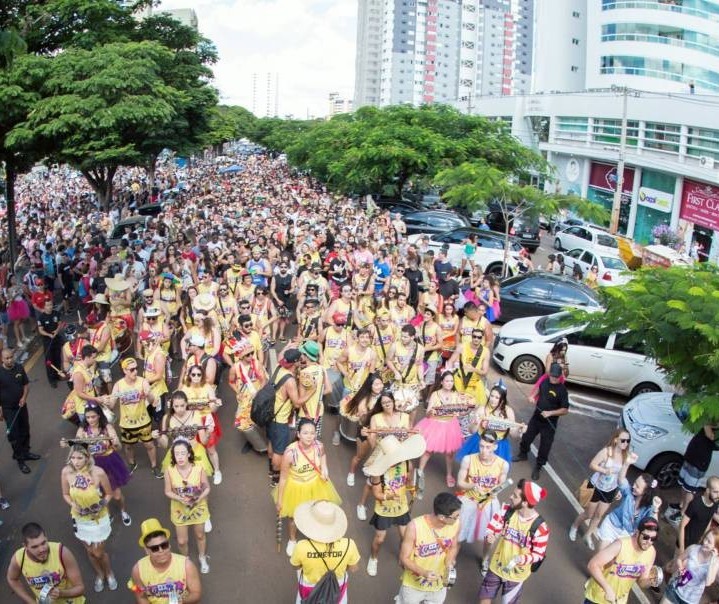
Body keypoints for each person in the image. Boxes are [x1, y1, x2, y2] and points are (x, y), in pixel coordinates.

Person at [275, 418, 342, 557]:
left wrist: (325, 469)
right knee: (293, 517)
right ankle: (293, 540)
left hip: (315, 484)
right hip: (296, 487)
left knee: (315, 513)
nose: (309, 436)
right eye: (305, 433)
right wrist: (280, 500)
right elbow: (283, 478)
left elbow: (323, 456)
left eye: (312, 433)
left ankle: (313, 535)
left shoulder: (319, 446)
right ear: (298, 434)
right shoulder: (290, 453)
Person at [363, 433, 426, 577]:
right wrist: (387, 496)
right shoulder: (377, 471)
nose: (397, 459)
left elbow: (409, 481)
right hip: (384, 508)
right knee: (380, 539)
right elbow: (376, 494)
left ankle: (403, 558)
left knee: (406, 537)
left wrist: (412, 490)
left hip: (401, 507)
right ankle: (373, 558)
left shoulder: (407, 464)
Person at [479, 480, 549, 604]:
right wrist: (490, 535)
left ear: (525, 502)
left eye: (515, 496)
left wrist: (521, 559)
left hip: (516, 575)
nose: (510, 497)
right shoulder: (506, 510)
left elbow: (538, 555)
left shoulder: (541, 528)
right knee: (484, 598)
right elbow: (492, 527)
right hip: (496, 565)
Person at [60, 444, 117, 593]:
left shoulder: (98, 473)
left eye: (80, 457)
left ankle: (109, 572)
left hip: (99, 518)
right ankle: (100, 574)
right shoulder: (66, 472)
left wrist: (101, 504)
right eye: (73, 458)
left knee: (98, 552)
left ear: (87, 457)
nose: (76, 461)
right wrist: (73, 504)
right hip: (80, 519)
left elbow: (109, 493)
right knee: (90, 551)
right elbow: (65, 494)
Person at [570, 429, 633, 549]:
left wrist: (619, 489)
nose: (626, 443)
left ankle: (588, 535)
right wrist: (604, 470)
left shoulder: (626, 457)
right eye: (623, 440)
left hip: (610, 490)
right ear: (616, 440)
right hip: (596, 487)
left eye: (628, 441)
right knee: (589, 514)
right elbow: (592, 464)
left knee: (599, 515)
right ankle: (575, 526)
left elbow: (622, 476)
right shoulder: (606, 452)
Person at [71, 403, 132, 527]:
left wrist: (115, 443)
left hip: (109, 462)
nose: (90, 420)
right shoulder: (82, 430)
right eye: (88, 417)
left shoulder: (107, 427)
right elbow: (77, 449)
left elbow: (119, 447)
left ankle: (123, 511)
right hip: (92, 466)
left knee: (116, 495)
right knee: (100, 494)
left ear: (99, 415)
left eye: (93, 417)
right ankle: (107, 514)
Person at [457, 431, 510, 572]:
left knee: (490, 536)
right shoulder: (468, 459)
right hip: (470, 499)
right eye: (481, 446)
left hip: (489, 503)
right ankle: (451, 560)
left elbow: (501, 486)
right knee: (458, 532)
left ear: (495, 447)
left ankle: (485, 559)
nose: (483, 451)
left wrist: (489, 493)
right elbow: (460, 483)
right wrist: (473, 485)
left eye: (487, 447)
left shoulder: (503, 464)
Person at [290, 500, 361, 603]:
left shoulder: (301, 547)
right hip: (337, 588)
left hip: (308, 588)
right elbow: (354, 568)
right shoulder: (349, 544)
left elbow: (295, 566)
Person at [397, 492, 461, 604]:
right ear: (441, 517)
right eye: (455, 517)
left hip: (438, 586)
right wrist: (424, 572)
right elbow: (404, 558)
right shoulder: (414, 527)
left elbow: (453, 547)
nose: (457, 519)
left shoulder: (456, 524)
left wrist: (449, 564)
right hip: (413, 586)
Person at [584, 517, 661, 604]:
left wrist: (650, 581)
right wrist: (607, 589)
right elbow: (592, 565)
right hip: (599, 597)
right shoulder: (620, 545)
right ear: (637, 532)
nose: (649, 542)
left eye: (653, 539)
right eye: (646, 537)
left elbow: (641, 582)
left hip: (619, 600)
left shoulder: (651, 552)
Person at [513, 362, 569, 480]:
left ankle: (538, 466)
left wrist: (550, 413)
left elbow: (565, 410)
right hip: (536, 417)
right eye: (552, 376)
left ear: (559, 376)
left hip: (549, 423)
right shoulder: (545, 381)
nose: (553, 379)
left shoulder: (562, 390)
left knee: (545, 446)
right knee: (527, 437)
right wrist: (533, 396)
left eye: (555, 377)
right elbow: (540, 390)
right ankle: (523, 454)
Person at [6, 522, 86, 603]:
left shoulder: (62, 553)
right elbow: (12, 579)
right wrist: (31, 602)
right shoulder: (18, 559)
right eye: (35, 547)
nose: (42, 550)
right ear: (25, 546)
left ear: (46, 538)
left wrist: (61, 593)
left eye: (43, 543)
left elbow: (80, 588)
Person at [108, 357, 161, 478]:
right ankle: (132, 464)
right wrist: (105, 401)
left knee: (149, 445)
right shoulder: (118, 385)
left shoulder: (143, 382)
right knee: (128, 446)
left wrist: (149, 395)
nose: (135, 372)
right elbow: (111, 404)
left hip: (143, 421)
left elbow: (152, 401)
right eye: (132, 370)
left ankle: (154, 466)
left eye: (136, 369)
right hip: (126, 424)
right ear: (125, 370)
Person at [164, 439, 211, 574]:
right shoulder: (169, 471)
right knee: (182, 541)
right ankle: (186, 560)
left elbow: (207, 487)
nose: (179, 457)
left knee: (200, 535)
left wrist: (198, 498)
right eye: (176, 453)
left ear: (189, 454)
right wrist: (180, 499)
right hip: (179, 510)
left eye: (183, 453)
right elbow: (167, 491)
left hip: (198, 508)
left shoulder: (199, 468)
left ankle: (202, 557)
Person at [128, 517, 202, 603]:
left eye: (164, 545)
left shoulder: (187, 565)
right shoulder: (138, 570)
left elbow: (196, 594)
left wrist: (180, 601)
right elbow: (141, 596)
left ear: (169, 545)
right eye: (155, 548)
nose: (161, 550)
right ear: (147, 550)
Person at [416, 371, 468, 489]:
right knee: (428, 450)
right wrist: (432, 412)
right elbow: (428, 413)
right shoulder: (435, 394)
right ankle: (420, 472)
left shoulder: (456, 395)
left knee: (450, 454)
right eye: (447, 381)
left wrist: (465, 408)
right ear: (442, 382)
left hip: (450, 426)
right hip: (435, 424)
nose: (449, 383)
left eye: (451, 381)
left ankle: (449, 475)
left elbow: (461, 412)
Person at [595, 466, 661, 551]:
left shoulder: (648, 508)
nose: (633, 486)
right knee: (601, 553)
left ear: (645, 492)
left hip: (626, 536)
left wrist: (655, 508)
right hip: (611, 525)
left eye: (637, 486)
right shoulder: (628, 493)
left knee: (612, 561)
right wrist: (627, 463)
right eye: (635, 483)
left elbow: (653, 525)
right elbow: (621, 480)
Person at [666, 425, 719, 526]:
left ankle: (683, 512)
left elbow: (710, 435)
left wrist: (707, 423)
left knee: (690, 489)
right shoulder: (707, 421)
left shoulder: (709, 426)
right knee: (683, 484)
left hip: (699, 463)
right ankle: (681, 505)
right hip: (690, 456)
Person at [0, 347, 40, 473]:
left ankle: (26, 452)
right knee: (14, 435)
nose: (10, 360)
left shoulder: (19, 367)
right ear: (1, 359)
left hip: (21, 406)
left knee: (25, 430)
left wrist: (24, 397)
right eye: (6, 358)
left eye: (11, 357)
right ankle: (20, 460)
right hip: (8, 409)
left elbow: (26, 385)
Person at [268, 348, 303, 486]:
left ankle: (271, 469)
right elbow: (297, 403)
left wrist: (288, 345)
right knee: (279, 451)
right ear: (296, 362)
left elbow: (279, 355)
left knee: (271, 441)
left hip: (270, 414)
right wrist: (310, 392)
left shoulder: (278, 368)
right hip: (280, 420)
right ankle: (276, 478)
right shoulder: (290, 381)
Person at [662, 528, 719, 604]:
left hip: (690, 600)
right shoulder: (693, 548)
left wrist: (712, 560)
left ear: (715, 548)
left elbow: (708, 582)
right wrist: (681, 568)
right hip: (676, 589)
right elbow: (679, 559)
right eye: (705, 538)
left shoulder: (715, 563)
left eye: (709, 542)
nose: (705, 542)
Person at [677, 476, 719, 555]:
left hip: (696, 544)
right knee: (676, 564)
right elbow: (682, 525)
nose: (718, 495)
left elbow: (709, 520)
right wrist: (682, 549)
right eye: (715, 492)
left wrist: (704, 538)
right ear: (707, 490)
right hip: (685, 541)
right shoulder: (695, 504)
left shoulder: (715, 503)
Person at [37, 298, 63, 388]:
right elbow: (40, 330)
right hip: (48, 341)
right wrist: (48, 335)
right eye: (47, 305)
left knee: (57, 358)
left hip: (56, 338)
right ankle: (52, 380)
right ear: (44, 306)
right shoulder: (41, 317)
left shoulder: (56, 313)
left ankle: (58, 374)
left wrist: (57, 330)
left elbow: (60, 323)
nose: (50, 307)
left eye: (51, 305)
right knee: (49, 361)